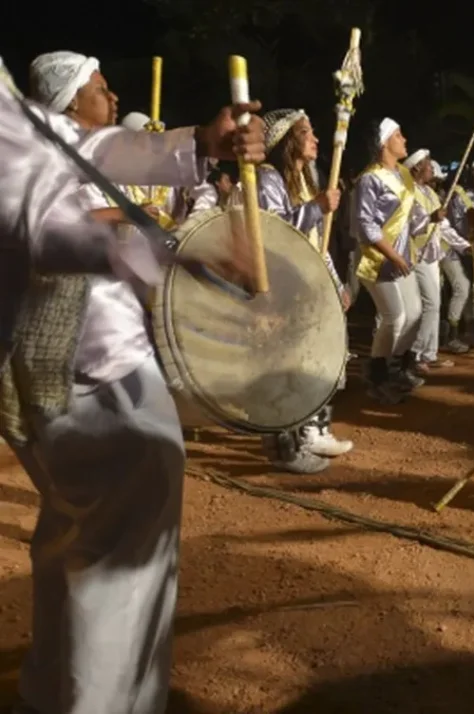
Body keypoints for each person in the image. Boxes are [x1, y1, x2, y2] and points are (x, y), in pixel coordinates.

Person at [9, 50, 265, 714]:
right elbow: (44, 222)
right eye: (97, 87)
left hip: (65, 368)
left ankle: (49, 693)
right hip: (90, 364)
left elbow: (95, 151)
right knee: (124, 567)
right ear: (65, 102)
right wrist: (176, 253)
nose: (112, 90)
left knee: (77, 536)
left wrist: (203, 144)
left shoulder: (37, 130)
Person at [255, 108, 353, 473]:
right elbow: (272, 233)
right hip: (279, 288)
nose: (315, 139)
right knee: (283, 367)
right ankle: (283, 448)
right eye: (306, 132)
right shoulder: (267, 179)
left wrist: (335, 283)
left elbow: (318, 244)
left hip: (307, 286)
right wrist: (316, 207)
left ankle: (310, 431)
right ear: (287, 141)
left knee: (313, 361)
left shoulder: (304, 180)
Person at [352, 118, 430, 404]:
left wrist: (431, 220)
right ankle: (377, 375)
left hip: (400, 257)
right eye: (398, 135)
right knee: (394, 317)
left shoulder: (404, 176)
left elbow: (410, 219)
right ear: (385, 143)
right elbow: (365, 225)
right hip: (377, 258)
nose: (404, 139)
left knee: (414, 313)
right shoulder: (370, 179)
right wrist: (394, 255)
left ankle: (396, 368)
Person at [405, 148, 470, 372]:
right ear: (417, 168)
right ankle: (416, 353)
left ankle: (428, 354)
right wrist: (430, 218)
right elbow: (410, 225)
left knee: (435, 304)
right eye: (428, 165)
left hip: (432, 256)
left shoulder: (430, 194)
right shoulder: (409, 192)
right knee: (430, 304)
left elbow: (444, 227)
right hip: (416, 254)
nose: (432, 168)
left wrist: (466, 247)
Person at [442, 162, 474, 353]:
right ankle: (451, 336)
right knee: (462, 288)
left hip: (471, 249)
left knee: (472, 291)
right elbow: (457, 229)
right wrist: (470, 246)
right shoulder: (458, 197)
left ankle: (470, 332)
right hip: (452, 250)